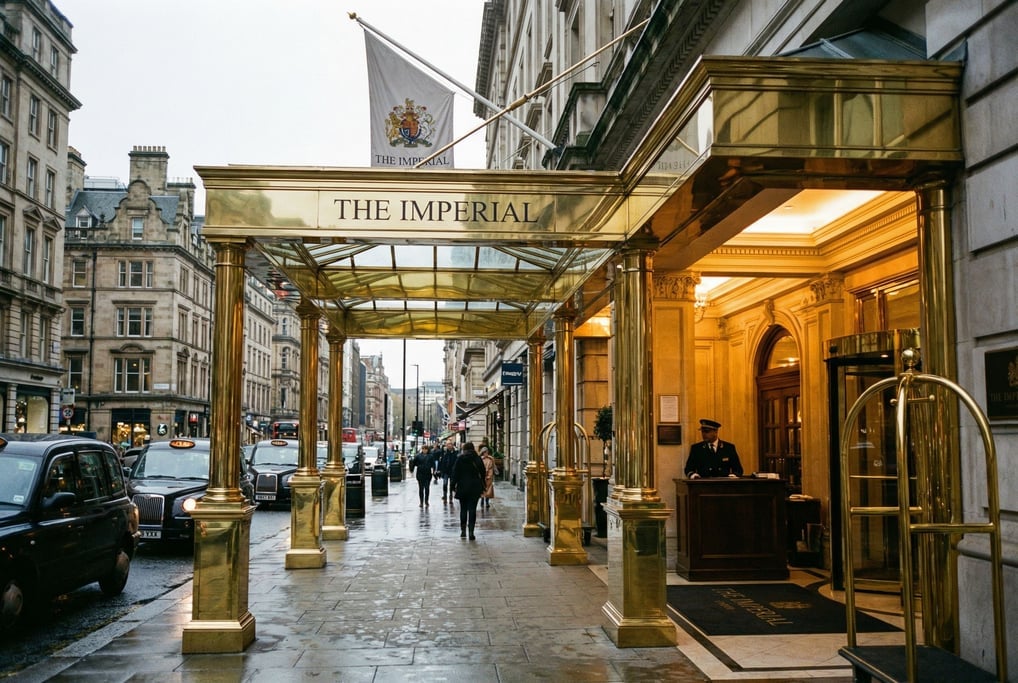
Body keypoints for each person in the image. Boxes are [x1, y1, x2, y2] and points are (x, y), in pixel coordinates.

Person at [450, 441, 485, 539]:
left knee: (463, 509)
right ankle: (471, 532)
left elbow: (455, 473)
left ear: (464, 449)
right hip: (475, 487)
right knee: (472, 509)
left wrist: (452, 486)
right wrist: (483, 485)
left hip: (462, 487)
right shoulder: (477, 458)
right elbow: (483, 472)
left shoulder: (460, 458)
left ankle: (463, 531)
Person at [479, 437, 495, 509]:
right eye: (485, 452)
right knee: (482, 488)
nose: (486, 453)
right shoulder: (480, 459)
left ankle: (487, 501)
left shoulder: (490, 459)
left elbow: (493, 467)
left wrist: (491, 474)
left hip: (489, 476)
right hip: (482, 476)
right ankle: (482, 500)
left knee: (488, 489)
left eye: (487, 452)